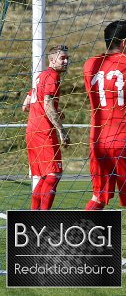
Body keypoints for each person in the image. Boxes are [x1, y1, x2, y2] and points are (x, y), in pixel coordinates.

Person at [83, 20, 126, 255]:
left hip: (98, 138)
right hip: (125, 136)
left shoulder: (90, 64)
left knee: (99, 197)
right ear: (125, 41)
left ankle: (75, 242)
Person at [25, 44, 71, 210]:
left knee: (45, 176)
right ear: (52, 60)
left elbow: (25, 105)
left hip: (32, 130)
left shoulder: (41, 76)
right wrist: (62, 131)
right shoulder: (52, 76)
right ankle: (44, 217)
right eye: (62, 58)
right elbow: (47, 104)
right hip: (44, 131)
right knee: (54, 174)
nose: (66, 61)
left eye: (67, 58)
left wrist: (55, 109)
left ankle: (33, 216)